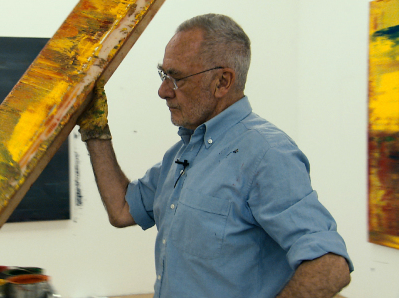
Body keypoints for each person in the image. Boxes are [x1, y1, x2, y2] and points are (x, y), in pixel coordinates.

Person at [78, 13, 353, 298]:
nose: (163, 91)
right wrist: (96, 131)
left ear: (222, 82)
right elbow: (122, 209)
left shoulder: (267, 154)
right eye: (163, 74)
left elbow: (330, 264)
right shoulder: (183, 153)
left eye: (177, 78)